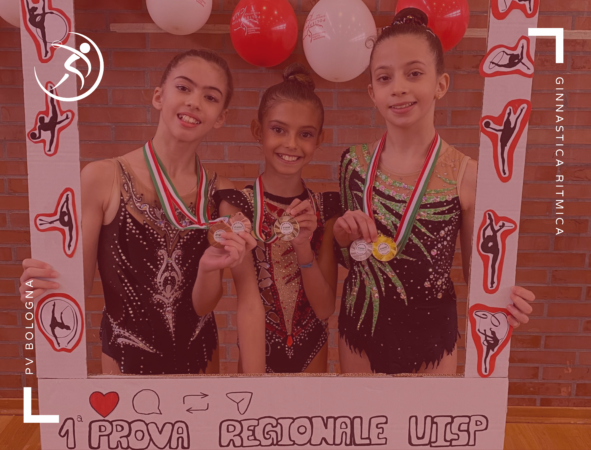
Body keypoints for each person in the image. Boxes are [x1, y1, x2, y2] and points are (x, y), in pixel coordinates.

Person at [19, 50, 265, 375]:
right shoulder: (103, 178)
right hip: (125, 363)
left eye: (210, 97)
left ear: (220, 116)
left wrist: (208, 268)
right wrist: (43, 283)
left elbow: (204, 305)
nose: (194, 102)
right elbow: (78, 285)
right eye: (183, 88)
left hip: (200, 364)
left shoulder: (221, 193)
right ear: (159, 96)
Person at [333, 8, 536, 375]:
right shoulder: (353, 164)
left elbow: (479, 274)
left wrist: (505, 300)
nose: (399, 87)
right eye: (385, 77)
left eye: (414, 73)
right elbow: (352, 257)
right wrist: (342, 238)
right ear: (372, 92)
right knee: (360, 416)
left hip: (431, 339)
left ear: (441, 84)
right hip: (361, 327)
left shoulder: (466, 174)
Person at [217, 64, 339, 373]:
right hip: (257, 352)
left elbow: (325, 309)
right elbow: (247, 300)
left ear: (319, 139)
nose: (291, 144)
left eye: (305, 134)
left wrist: (304, 250)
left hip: (312, 353)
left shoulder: (325, 209)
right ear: (258, 131)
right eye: (278, 129)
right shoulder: (237, 206)